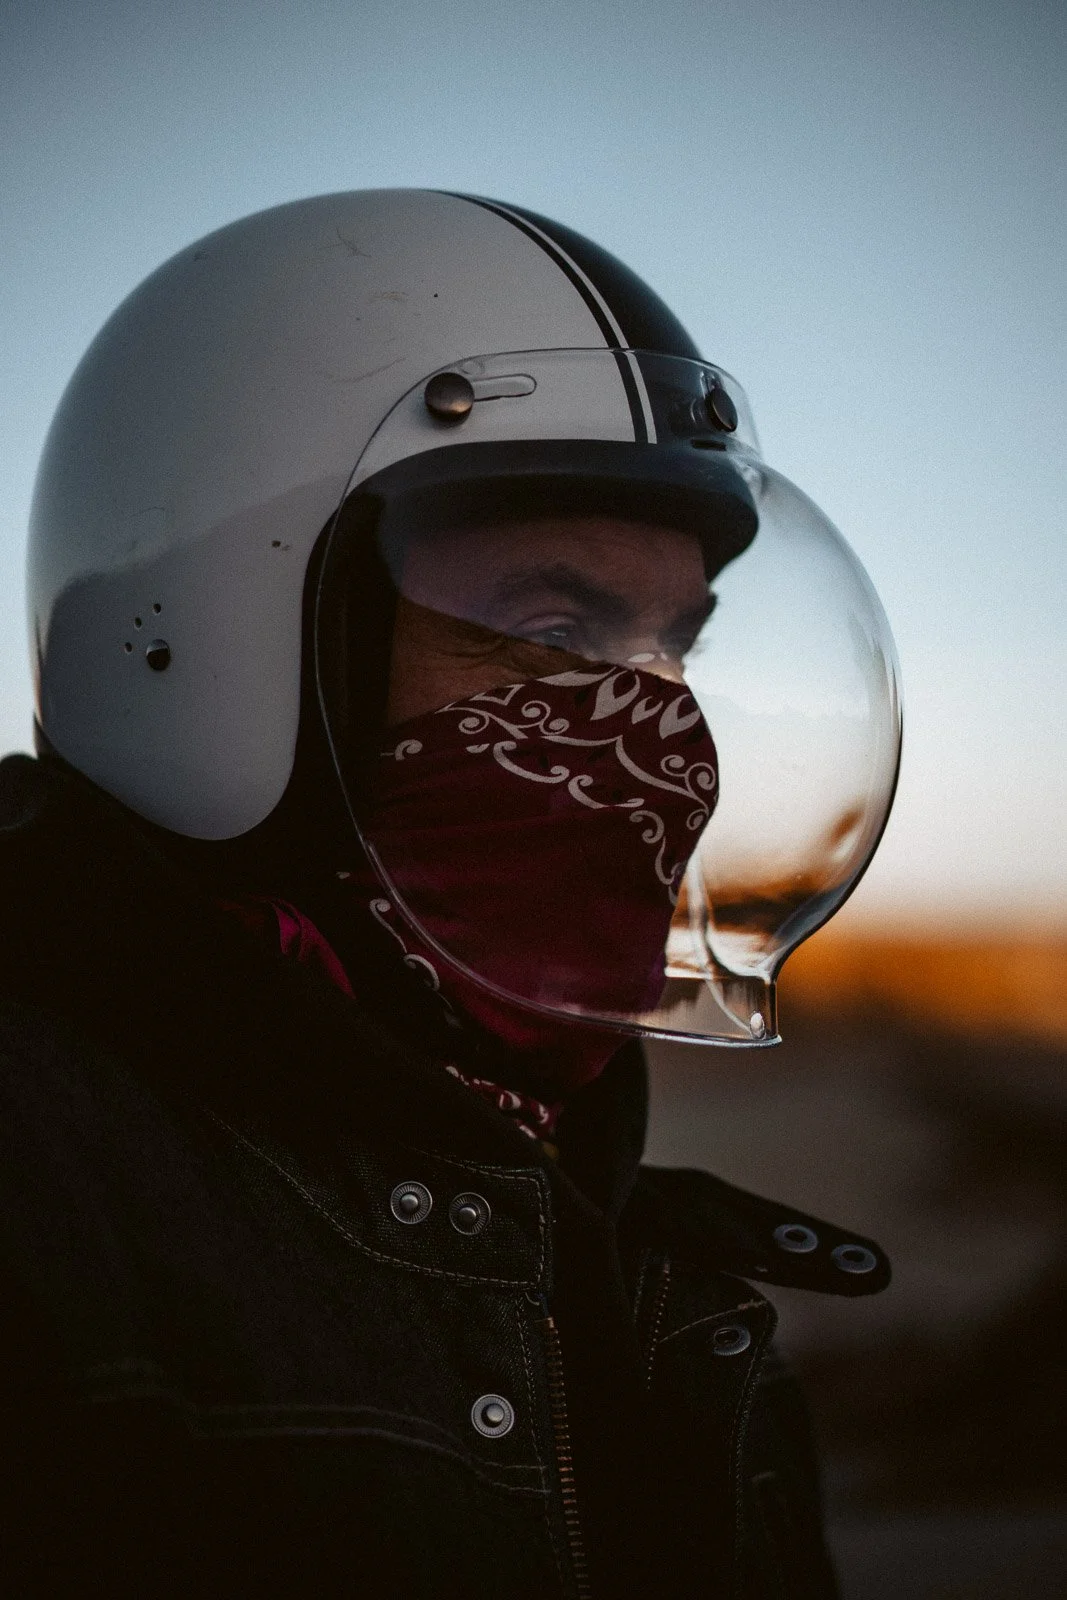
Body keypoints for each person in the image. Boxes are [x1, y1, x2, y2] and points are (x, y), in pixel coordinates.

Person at [1, 191, 901, 1597]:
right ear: (210, 646)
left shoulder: (631, 1250)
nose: (656, 741)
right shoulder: (48, 1199)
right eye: (554, 631)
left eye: (672, 649)